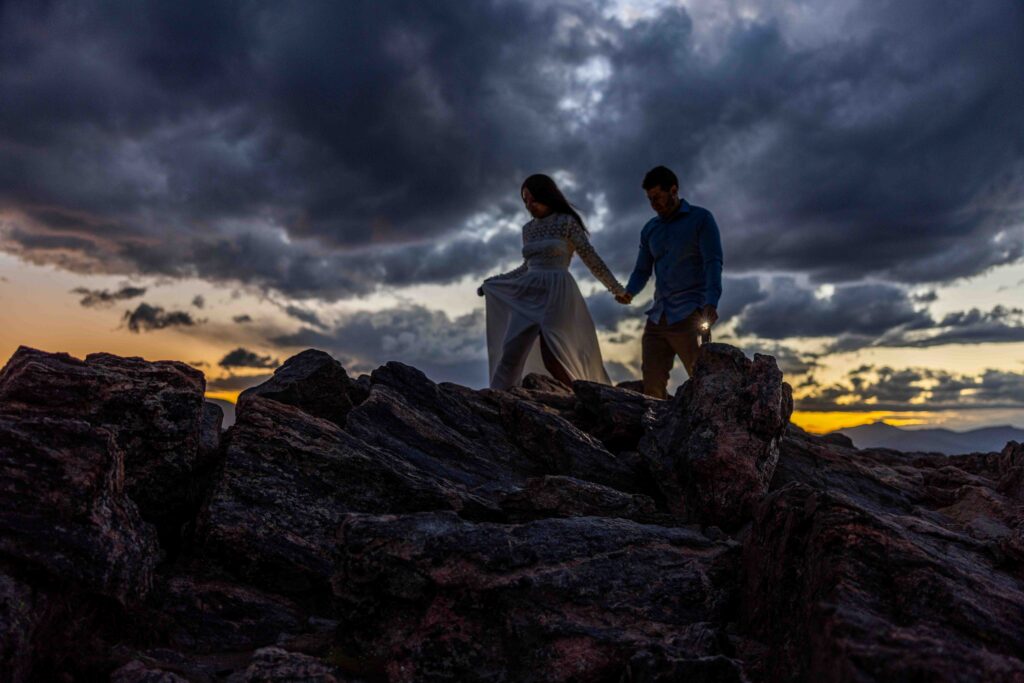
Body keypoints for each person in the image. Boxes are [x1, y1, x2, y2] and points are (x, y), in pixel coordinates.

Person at [478, 174, 627, 390]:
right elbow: (525, 267)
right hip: (528, 293)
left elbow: (590, 258)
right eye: (525, 200)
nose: (529, 205)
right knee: (511, 351)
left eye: (532, 198)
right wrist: (492, 283)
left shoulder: (566, 222)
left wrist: (616, 289)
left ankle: (584, 401)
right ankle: (497, 400)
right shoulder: (527, 230)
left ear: (545, 194)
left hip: (558, 291)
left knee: (554, 354)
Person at [616, 166, 723, 399]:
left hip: (689, 314)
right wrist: (629, 292)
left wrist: (711, 302)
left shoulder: (701, 219)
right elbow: (642, 269)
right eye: (649, 199)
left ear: (673, 190)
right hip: (658, 317)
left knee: (702, 381)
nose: (653, 203)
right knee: (651, 387)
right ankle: (656, 432)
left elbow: (712, 262)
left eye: (657, 197)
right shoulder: (650, 229)